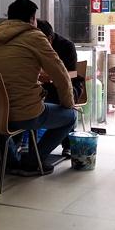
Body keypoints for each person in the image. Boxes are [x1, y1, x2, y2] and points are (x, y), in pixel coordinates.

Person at [0, 0, 76, 175]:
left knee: (5, 119)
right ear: (32, 19)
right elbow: (60, 74)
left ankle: (10, 162)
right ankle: (33, 161)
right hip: (25, 114)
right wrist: (68, 104)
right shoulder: (35, 36)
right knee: (70, 117)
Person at [36, 20, 84, 156]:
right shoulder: (33, 47)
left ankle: (67, 144)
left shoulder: (66, 46)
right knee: (25, 100)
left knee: (63, 98)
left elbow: (71, 74)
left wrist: (51, 75)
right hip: (44, 86)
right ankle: (27, 146)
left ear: (49, 38)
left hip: (70, 84)